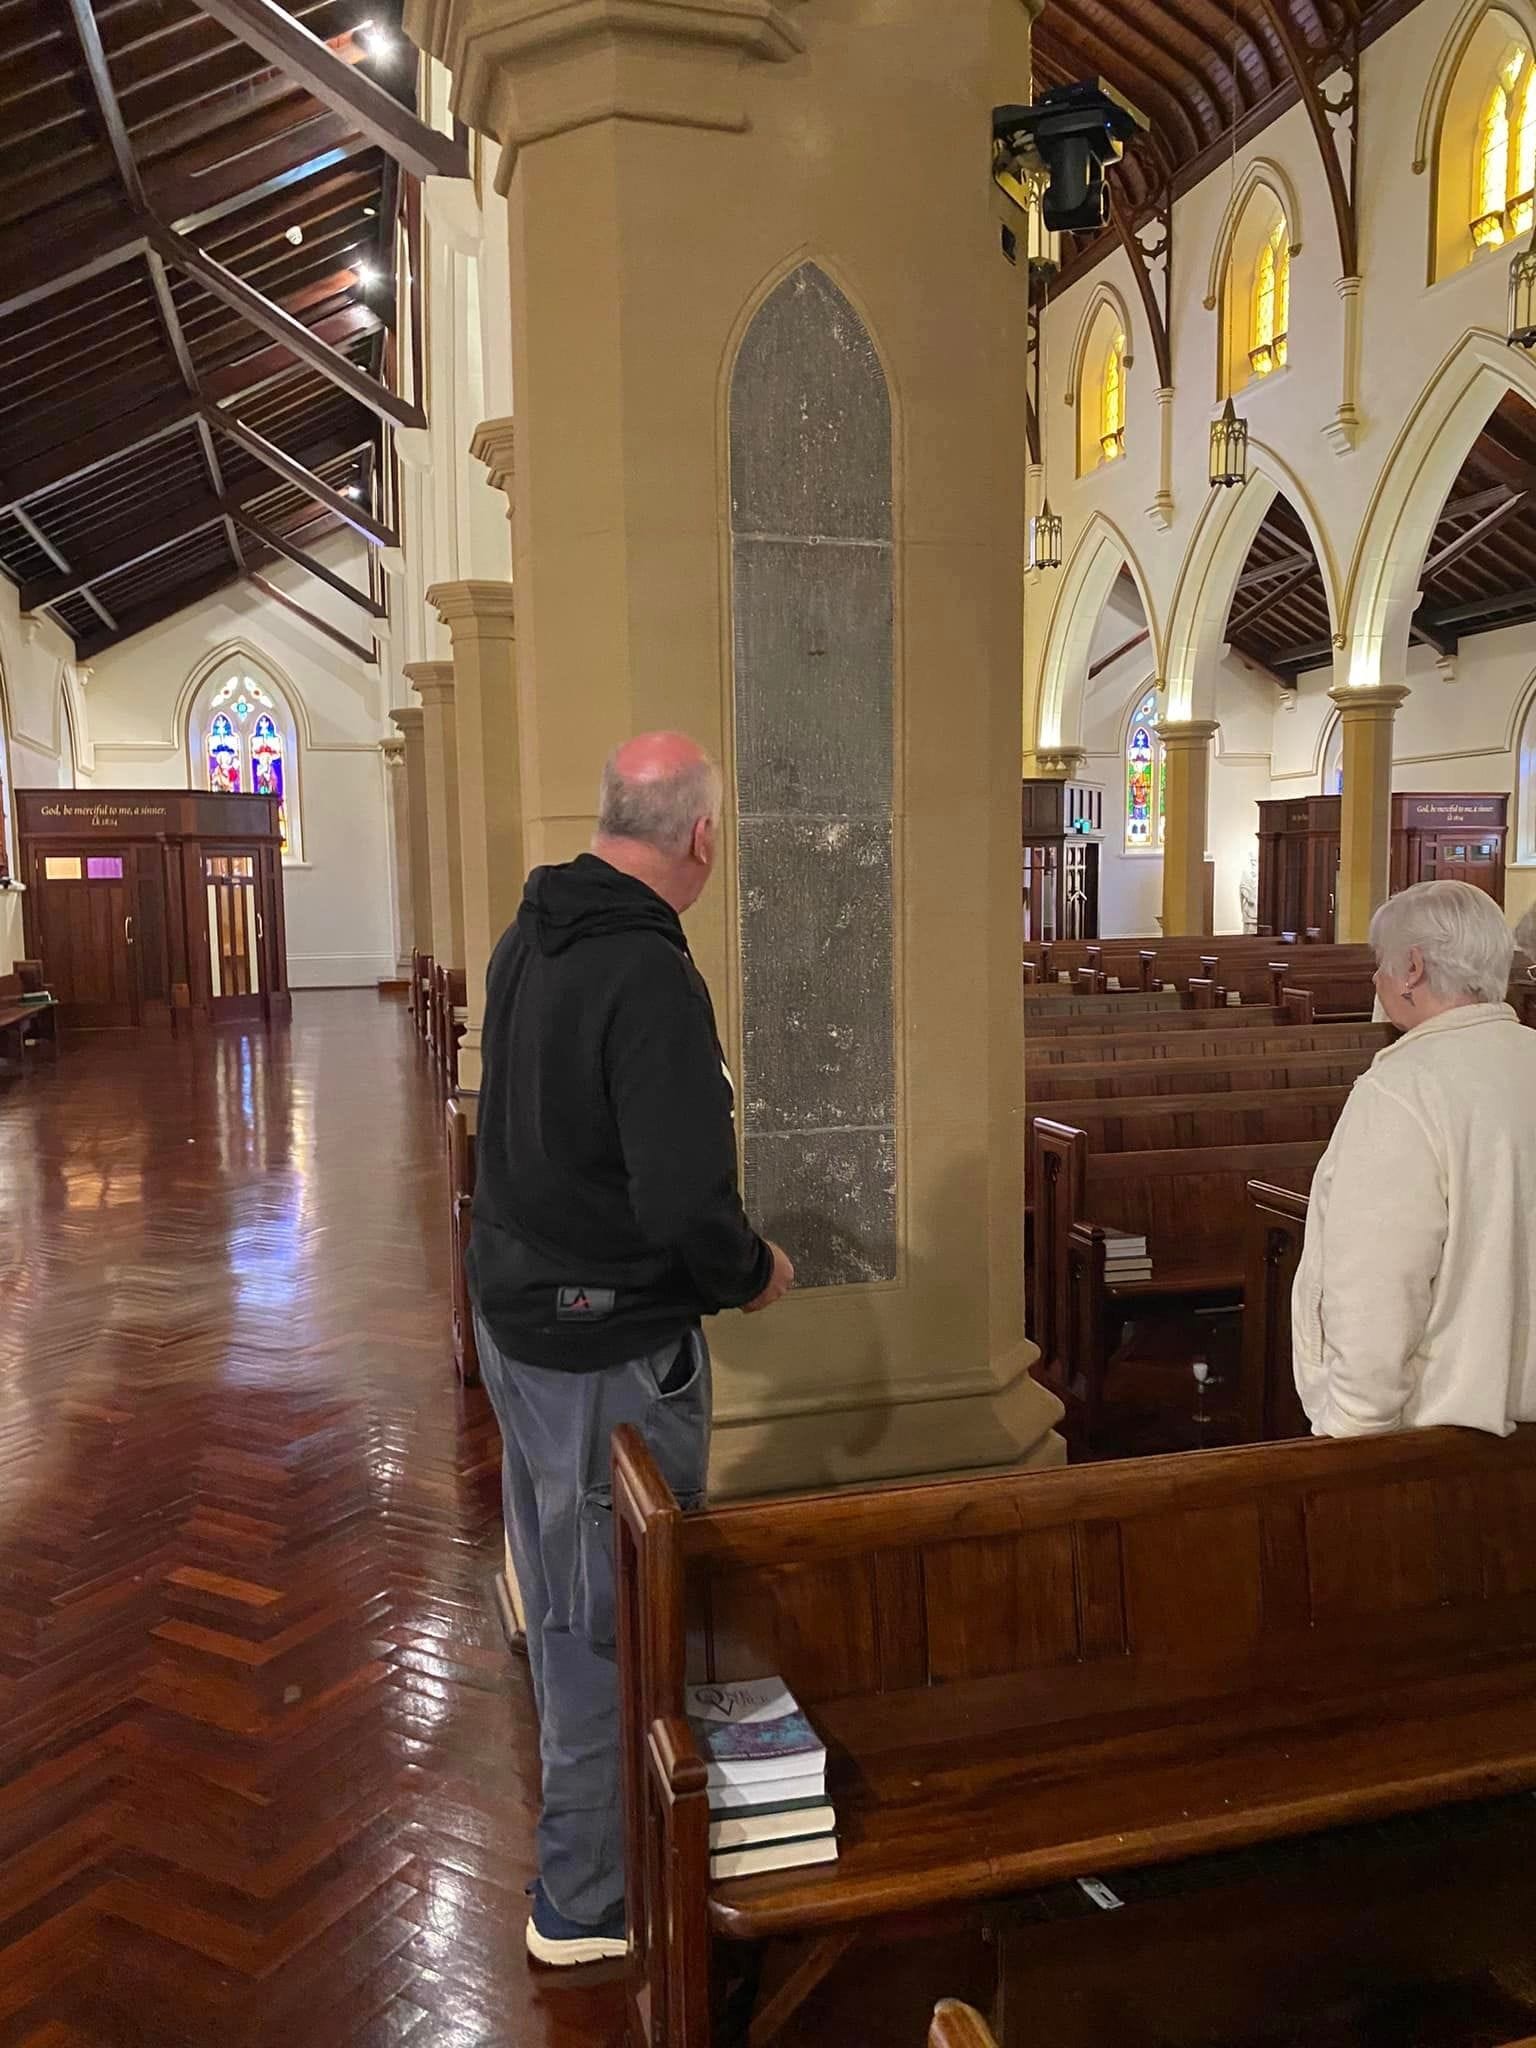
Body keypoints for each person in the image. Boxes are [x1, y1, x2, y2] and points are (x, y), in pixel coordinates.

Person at [468, 731, 794, 1967]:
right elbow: (684, 1198)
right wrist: (749, 1270)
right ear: (702, 836)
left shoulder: (527, 937)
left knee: (563, 1599)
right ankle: (588, 1897)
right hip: (605, 1342)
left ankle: (590, 1856)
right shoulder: (648, 973)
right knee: (612, 1616)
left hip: (524, 1321)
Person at [1293, 879, 1536, 1439]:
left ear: (1413, 969)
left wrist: (1352, 1428)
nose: (1376, 979)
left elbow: (1377, 1287)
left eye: (1381, 962)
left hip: (1438, 1443)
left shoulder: (1403, 1090)